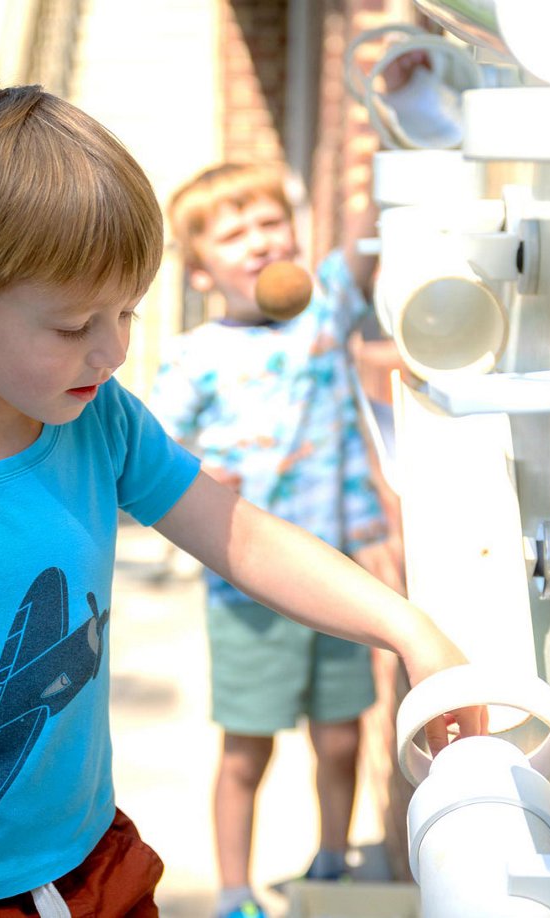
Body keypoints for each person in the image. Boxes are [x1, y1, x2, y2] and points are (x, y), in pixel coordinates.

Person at [0, 82, 480, 918]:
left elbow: (243, 537)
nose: (113, 348)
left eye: (127, 311)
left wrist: (407, 629)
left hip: (94, 863)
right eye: (73, 324)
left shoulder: (100, 421)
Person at [148, 162, 396, 917]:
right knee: (248, 748)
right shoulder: (195, 356)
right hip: (244, 585)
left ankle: (329, 863)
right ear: (199, 270)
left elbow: (363, 235)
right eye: (233, 234)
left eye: (269, 224)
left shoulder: (321, 313)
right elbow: (153, 449)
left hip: (334, 572)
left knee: (344, 738)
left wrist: (386, 127)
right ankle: (233, 892)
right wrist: (198, 475)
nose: (259, 242)